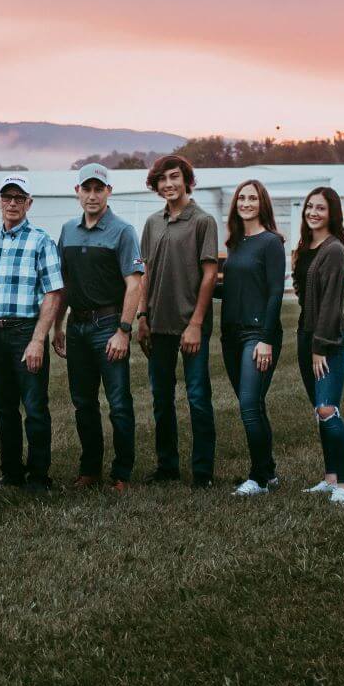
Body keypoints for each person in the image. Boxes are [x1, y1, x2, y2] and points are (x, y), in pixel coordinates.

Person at [52, 163, 144, 491]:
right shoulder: (68, 231)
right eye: (86, 189)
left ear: (108, 191)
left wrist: (124, 330)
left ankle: (122, 474)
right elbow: (63, 284)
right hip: (77, 326)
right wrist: (58, 326)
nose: (92, 196)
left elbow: (134, 285)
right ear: (77, 192)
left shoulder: (122, 231)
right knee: (83, 403)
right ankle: (89, 470)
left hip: (108, 326)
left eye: (98, 189)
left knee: (119, 403)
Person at [0, 175, 65, 490]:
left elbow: (53, 294)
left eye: (19, 197)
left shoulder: (41, 240)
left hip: (27, 330)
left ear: (29, 203)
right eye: (7, 197)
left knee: (35, 407)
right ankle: (11, 474)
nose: (12, 203)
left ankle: (39, 476)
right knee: (4, 407)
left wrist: (38, 340)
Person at [137, 154, 220, 487]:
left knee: (198, 398)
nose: (169, 184)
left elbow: (210, 273)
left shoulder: (203, 221)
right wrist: (142, 316)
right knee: (161, 399)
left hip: (190, 325)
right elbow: (145, 272)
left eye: (175, 177)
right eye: (162, 179)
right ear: (156, 185)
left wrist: (196, 323)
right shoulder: (153, 223)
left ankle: (202, 472)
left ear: (187, 180)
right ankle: (167, 466)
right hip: (157, 324)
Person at [219, 179, 287, 497]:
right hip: (230, 335)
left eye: (252, 198)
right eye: (241, 198)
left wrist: (265, 338)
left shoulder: (271, 242)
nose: (246, 203)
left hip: (256, 335)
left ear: (262, 204)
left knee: (248, 405)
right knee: (254, 405)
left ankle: (257, 479)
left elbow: (275, 292)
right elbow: (231, 288)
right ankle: (269, 472)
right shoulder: (235, 243)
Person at [293, 185, 344, 506]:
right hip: (307, 337)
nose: (313, 213)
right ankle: (330, 478)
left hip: (328, 341)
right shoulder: (307, 246)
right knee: (319, 412)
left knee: (328, 408)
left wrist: (320, 346)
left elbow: (333, 304)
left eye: (320, 208)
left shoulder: (333, 250)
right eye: (309, 207)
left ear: (332, 213)